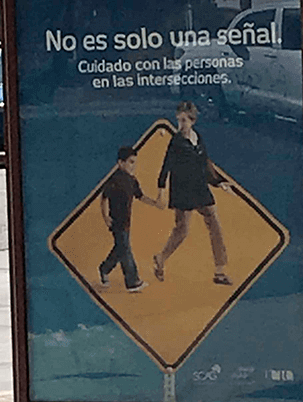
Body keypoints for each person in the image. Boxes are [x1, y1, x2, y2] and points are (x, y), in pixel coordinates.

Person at [153, 101, 232, 285]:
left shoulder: (199, 138)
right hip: (183, 192)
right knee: (182, 230)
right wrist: (161, 191)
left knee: (215, 224)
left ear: (192, 121)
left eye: (184, 121)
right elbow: (166, 166)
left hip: (200, 188)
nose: (180, 125)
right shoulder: (176, 141)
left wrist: (220, 183)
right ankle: (161, 258)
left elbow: (206, 164)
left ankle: (220, 272)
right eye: (178, 121)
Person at [99, 145, 159, 293]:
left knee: (120, 249)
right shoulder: (114, 180)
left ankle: (104, 268)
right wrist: (106, 217)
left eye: (135, 162)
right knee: (125, 249)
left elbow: (141, 196)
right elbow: (104, 199)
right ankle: (132, 281)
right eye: (131, 162)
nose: (134, 165)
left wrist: (155, 203)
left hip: (126, 222)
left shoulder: (132, 181)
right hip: (116, 221)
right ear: (120, 163)